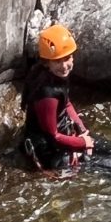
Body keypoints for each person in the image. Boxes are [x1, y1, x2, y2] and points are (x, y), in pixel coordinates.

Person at [21, 23, 97, 171]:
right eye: (57, 61)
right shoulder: (47, 93)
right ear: (47, 63)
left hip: (62, 137)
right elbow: (53, 136)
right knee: (109, 166)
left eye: (67, 58)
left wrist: (82, 130)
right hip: (50, 150)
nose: (64, 66)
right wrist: (83, 143)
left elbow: (66, 104)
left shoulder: (54, 76)